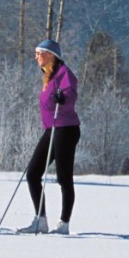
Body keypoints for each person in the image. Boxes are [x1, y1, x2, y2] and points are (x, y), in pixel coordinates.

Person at [18, 37, 80, 235]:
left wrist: (63, 98)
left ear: (51, 55)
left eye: (40, 53)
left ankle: (64, 224)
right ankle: (40, 220)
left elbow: (71, 92)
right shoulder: (48, 76)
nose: (36, 57)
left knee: (64, 177)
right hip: (52, 128)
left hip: (66, 128)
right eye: (36, 53)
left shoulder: (63, 73)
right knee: (33, 173)